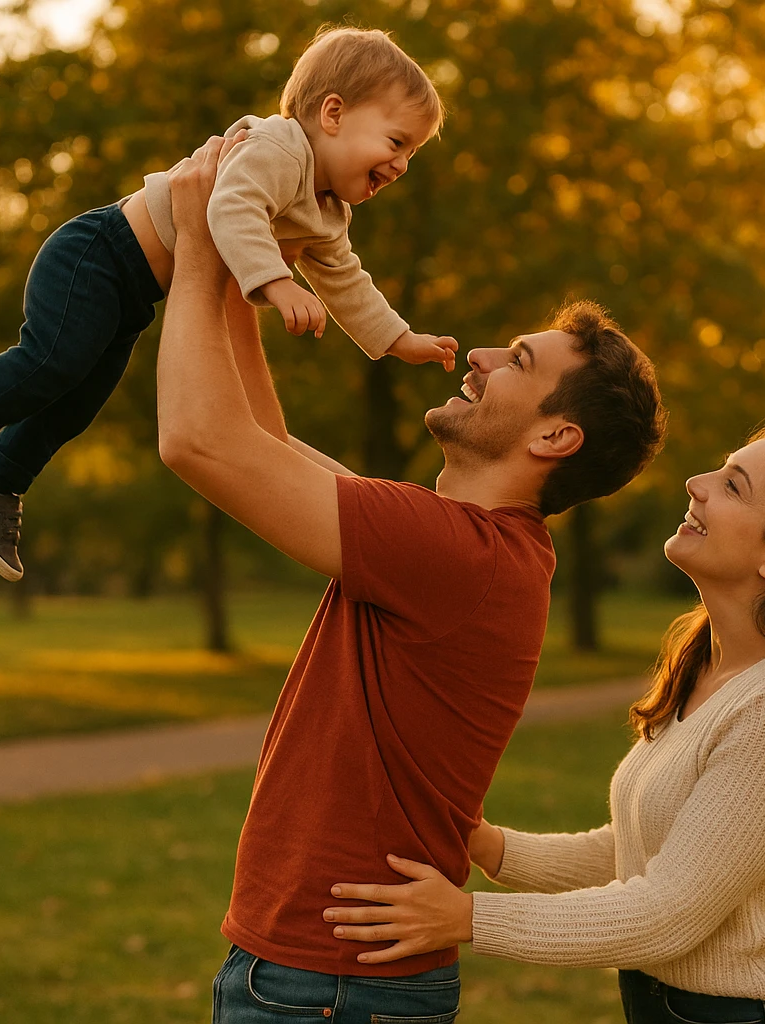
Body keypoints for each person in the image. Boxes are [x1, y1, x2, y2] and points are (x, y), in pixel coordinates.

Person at [157, 136, 664, 1023]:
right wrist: (247, 256)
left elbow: (199, 442)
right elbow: (264, 447)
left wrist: (199, 246)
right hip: (324, 978)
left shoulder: (460, 555)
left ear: (554, 438)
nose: (480, 359)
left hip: (328, 987)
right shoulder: (465, 548)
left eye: (518, 362)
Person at [325, 422, 765, 1024]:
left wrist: (466, 918)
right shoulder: (707, 668)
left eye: (733, 486)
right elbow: (648, 850)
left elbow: (666, 913)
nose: (696, 483)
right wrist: (491, 846)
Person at [0, 26, 456, 581]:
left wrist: (399, 339)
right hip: (98, 255)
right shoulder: (277, 148)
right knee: (53, 359)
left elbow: (346, 280)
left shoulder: (328, 211)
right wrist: (277, 283)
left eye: (413, 153)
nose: (402, 164)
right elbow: (231, 211)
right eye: (396, 142)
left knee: (81, 395)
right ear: (332, 115)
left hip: (132, 293)